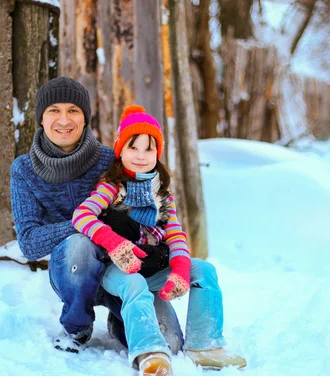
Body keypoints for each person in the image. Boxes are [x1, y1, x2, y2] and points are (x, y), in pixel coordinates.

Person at [9, 77, 183, 354]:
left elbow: (151, 210)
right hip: (72, 270)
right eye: (54, 110)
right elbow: (29, 243)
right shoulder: (24, 169)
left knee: (170, 343)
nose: (64, 119)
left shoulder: (109, 160)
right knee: (80, 245)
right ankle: (77, 326)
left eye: (73, 110)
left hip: (123, 268)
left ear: (85, 118)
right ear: (41, 118)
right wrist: (91, 225)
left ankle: (120, 318)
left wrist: (158, 246)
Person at [72, 105, 247, 375]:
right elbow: (82, 215)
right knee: (134, 284)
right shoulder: (111, 187)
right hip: (116, 270)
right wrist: (115, 244)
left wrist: (179, 271)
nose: (141, 156)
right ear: (121, 151)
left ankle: (204, 344)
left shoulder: (162, 196)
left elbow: (175, 235)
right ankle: (149, 350)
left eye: (149, 149)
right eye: (133, 147)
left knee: (204, 270)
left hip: (151, 268)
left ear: (158, 153)